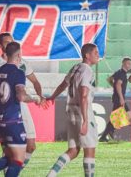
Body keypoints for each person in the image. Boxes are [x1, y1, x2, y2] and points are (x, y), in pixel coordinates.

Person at [0, 42, 41, 177]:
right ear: (19, 55)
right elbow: (21, 95)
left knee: (9, 155)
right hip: (12, 120)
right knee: (18, 159)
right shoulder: (18, 72)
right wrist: (35, 99)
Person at [46, 43, 99, 177]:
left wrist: (52, 97)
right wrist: (86, 120)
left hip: (70, 110)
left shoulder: (76, 67)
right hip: (82, 111)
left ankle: (51, 175)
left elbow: (63, 84)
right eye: (95, 53)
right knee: (90, 149)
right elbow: (84, 94)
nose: (98, 55)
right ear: (87, 55)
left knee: (73, 150)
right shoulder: (87, 70)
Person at [99, 57, 131, 142]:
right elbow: (118, 84)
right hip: (119, 98)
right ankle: (107, 133)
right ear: (123, 63)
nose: (129, 65)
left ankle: (108, 133)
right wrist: (121, 97)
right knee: (125, 115)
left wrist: (114, 87)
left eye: (130, 64)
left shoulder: (119, 72)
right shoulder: (122, 74)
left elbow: (109, 79)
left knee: (120, 116)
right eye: (128, 63)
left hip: (117, 97)